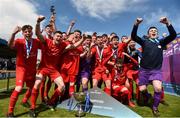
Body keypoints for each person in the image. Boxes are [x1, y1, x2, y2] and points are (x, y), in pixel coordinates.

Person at [29, 16, 85, 117]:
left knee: (62, 86)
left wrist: (83, 39)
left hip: (54, 70)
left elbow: (74, 46)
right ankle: (32, 108)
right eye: (57, 36)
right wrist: (37, 22)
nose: (59, 38)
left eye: (60, 36)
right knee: (37, 84)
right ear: (54, 36)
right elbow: (38, 34)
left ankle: (50, 101)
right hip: (43, 68)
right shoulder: (47, 41)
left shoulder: (63, 45)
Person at [131, 17, 177, 116]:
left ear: (157, 33)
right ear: (148, 34)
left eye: (155, 31)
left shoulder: (161, 42)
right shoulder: (144, 41)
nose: (153, 31)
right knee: (142, 89)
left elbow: (173, 35)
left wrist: (167, 23)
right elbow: (134, 36)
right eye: (151, 30)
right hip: (143, 71)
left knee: (158, 89)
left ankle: (155, 108)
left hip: (156, 71)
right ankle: (148, 97)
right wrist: (136, 24)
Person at [7, 25, 40, 117]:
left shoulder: (36, 42)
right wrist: (13, 33)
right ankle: (10, 112)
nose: (28, 33)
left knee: (32, 88)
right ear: (22, 33)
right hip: (21, 68)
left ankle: (31, 107)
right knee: (19, 88)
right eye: (25, 32)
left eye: (29, 31)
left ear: (32, 32)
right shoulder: (19, 41)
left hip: (32, 69)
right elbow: (10, 45)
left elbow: (45, 44)